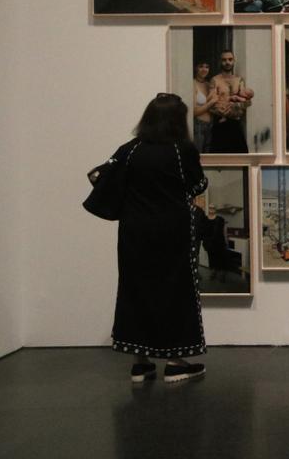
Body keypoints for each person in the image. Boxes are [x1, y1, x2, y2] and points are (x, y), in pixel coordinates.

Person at [109, 93, 208, 384]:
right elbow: (197, 184)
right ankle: (175, 361)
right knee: (174, 291)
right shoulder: (181, 151)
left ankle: (140, 362)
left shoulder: (130, 150)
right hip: (171, 231)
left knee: (135, 290)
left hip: (133, 231)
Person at [209, 51, 252, 153]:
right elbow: (211, 105)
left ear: (233, 61)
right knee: (219, 160)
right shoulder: (215, 80)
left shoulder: (239, 80)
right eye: (224, 60)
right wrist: (223, 111)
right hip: (220, 124)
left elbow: (248, 102)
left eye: (230, 59)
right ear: (220, 62)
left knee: (241, 158)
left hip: (235, 123)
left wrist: (236, 105)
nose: (227, 62)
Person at [192, 62, 214, 153]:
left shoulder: (209, 84)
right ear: (195, 68)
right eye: (201, 66)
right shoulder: (192, 83)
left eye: (207, 67)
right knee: (198, 154)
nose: (204, 69)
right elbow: (194, 111)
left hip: (211, 124)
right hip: (199, 125)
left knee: (209, 157)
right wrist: (212, 102)